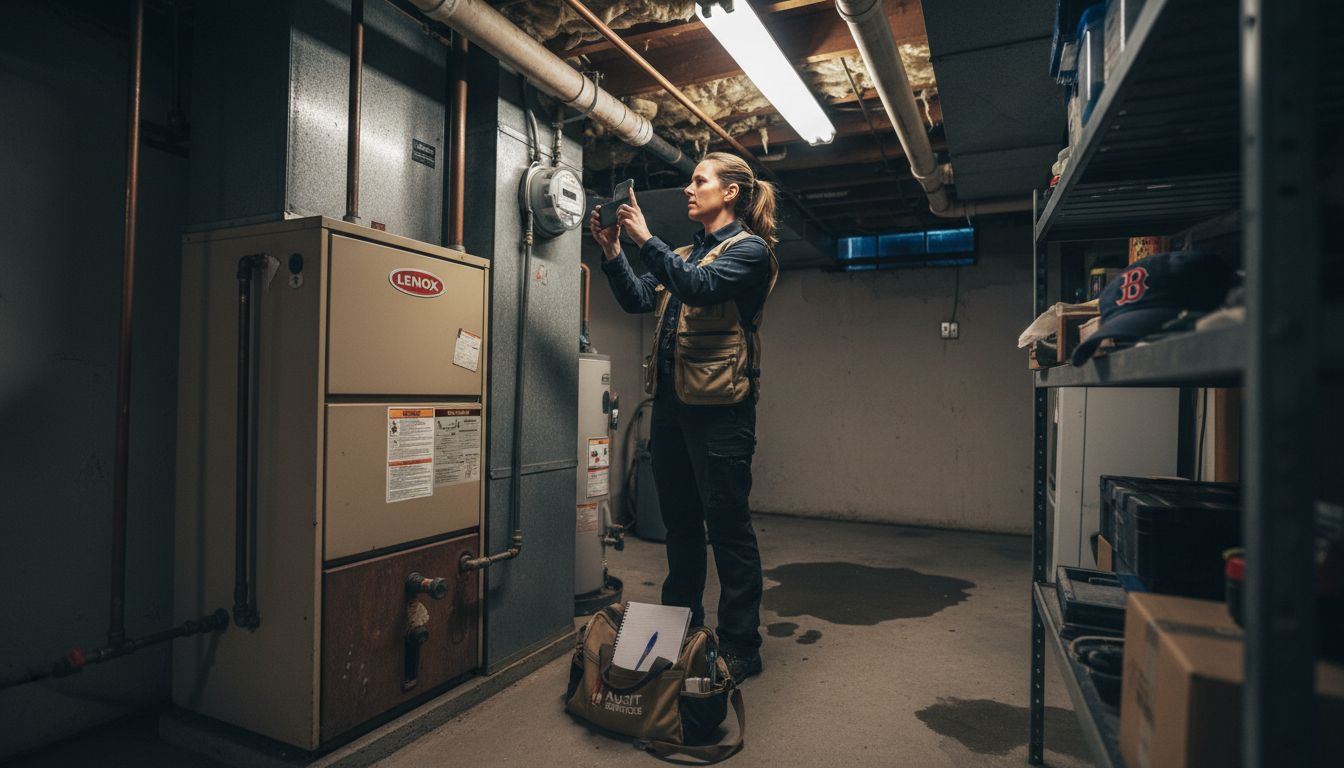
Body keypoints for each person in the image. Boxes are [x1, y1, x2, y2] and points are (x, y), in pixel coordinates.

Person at [590, 152, 779, 682]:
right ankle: (678, 627)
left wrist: (643, 238)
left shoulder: (749, 253)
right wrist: (611, 252)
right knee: (681, 528)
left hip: (722, 416)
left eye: (700, 181)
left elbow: (697, 286)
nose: (688, 189)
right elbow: (637, 298)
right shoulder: (681, 254)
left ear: (732, 193)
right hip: (673, 411)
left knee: (729, 528)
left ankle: (742, 644)